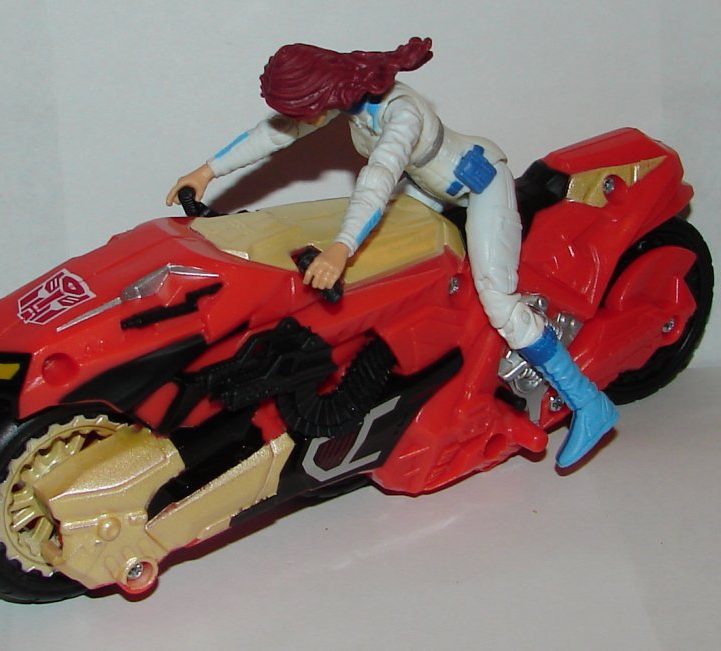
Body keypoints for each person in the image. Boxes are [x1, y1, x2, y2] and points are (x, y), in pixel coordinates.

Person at [165, 37, 617, 468]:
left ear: (324, 92)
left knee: (499, 301)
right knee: (388, 269)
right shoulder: (346, 101)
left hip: (477, 185)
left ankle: (588, 403)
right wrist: (207, 171)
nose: (303, 118)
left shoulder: (401, 114)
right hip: (427, 186)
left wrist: (341, 249)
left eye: (305, 108)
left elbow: (379, 176)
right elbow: (274, 134)